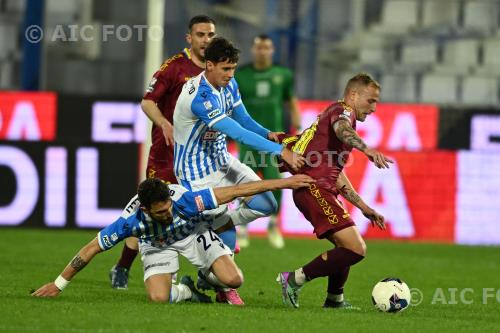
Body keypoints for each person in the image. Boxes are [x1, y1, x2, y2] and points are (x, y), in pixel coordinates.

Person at [32, 175, 314, 304]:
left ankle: (207, 275)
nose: (167, 212)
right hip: (156, 244)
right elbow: (91, 248)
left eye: (167, 207)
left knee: (234, 280)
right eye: (161, 212)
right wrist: (59, 284)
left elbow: (238, 191)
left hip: (192, 234)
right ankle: (189, 291)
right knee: (159, 299)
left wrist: (286, 183)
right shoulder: (131, 222)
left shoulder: (187, 201)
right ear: (146, 210)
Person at [173, 37, 305, 304]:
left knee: (267, 203)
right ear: (209, 66)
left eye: (233, 68)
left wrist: (268, 133)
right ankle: (221, 287)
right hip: (196, 173)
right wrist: (280, 151)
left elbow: (243, 119)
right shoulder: (200, 97)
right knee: (225, 240)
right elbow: (237, 132)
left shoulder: (228, 83)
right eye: (225, 69)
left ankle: (215, 227)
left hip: (221, 160)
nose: (231, 75)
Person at [109, 15, 216, 289]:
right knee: (153, 212)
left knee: (201, 210)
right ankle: (123, 266)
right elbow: (148, 102)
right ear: (189, 38)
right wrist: (163, 122)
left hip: (197, 156)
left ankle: (208, 274)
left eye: (210, 35)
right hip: (166, 155)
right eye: (201, 35)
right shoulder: (174, 67)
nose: (206, 40)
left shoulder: (216, 69)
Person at [276, 73, 392, 309]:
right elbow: (342, 130)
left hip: (320, 188)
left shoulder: (333, 124)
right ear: (353, 95)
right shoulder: (342, 112)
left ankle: (334, 299)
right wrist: (366, 149)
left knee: (346, 247)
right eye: (370, 101)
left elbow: (337, 174)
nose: (374, 108)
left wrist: (364, 207)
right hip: (313, 188)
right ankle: (294, 279)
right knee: (356, 249)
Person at [235, 34, 301, 249]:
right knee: (245, 184)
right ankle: (243, 228)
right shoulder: (240, 75)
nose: (262, 51)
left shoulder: (282, 74)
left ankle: (273, 225)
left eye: (266, 48)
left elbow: (291, 101)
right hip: (247, 139)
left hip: (273, 139)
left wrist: (298, 128)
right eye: (259, 48)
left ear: (271, 51)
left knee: (277, 183)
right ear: (254, 51)